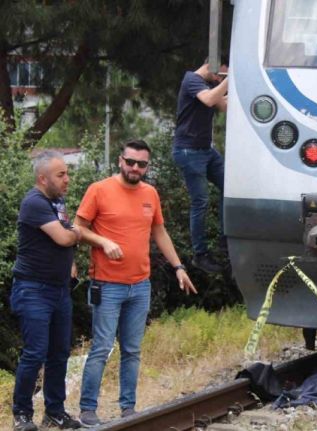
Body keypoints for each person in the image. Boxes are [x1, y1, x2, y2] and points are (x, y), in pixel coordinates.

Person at [74, 140, 197, 426]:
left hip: (140, 285)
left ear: (147, 167)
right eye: (130, 162)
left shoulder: (150, 193)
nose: (135, 168)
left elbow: (160, 233)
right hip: (107, 284)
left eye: (141, 164)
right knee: (102, 347)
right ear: (120, 161)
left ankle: (128, 408)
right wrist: (103, 241)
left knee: (132, 349)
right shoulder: (99, 190)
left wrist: (179, 267)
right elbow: (77, 228)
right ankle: (87, 410)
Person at [11, 151, 82, 430]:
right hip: (33, 290)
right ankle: (22, 414)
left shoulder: (57, 201)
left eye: (67, 173)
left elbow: (64, 235)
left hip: (59, 289)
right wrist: (78, 232)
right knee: (35, 352)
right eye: (61, 175)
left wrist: (72, 260)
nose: (67, 179)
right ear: (43, 178)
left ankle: (54, 411)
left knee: (59, 353)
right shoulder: (34, 202)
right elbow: (65, 236)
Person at [172, 58, 229, 273]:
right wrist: (229, 81)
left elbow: (223, 105)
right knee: (201, 201)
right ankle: (200, 254)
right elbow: (208, 100)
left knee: (229, 186)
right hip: (189, 151)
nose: (220, 79)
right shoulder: (192, 80)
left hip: (206, 150)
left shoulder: (211, 85)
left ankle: (225, 240)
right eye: (221, 74)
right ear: (212, 64)